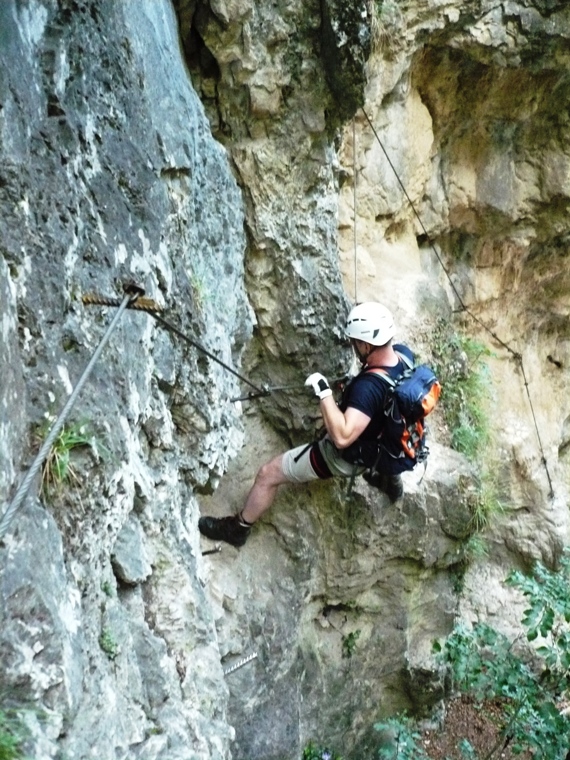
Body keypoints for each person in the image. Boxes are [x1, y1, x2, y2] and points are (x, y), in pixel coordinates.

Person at [198, 302, 414, 547]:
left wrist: (324, 394)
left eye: (355, 343)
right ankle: (389, 478)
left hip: (344, 457)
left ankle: (238, 529)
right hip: (386, 444)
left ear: (366, 345)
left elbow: (342, 437)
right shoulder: (404, 357)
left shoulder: (369, 388)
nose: (354, 348)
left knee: (268, 474)